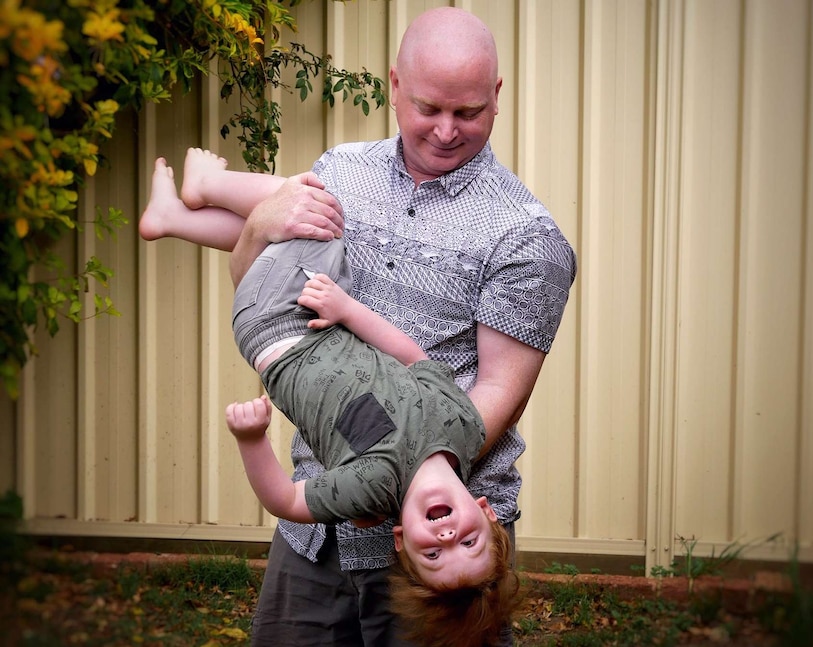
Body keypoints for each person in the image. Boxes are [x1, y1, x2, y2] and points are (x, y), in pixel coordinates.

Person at [148, 7, 577, 646]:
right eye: (429, 107)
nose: (446, 130)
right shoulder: (343, 169)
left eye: (468, 113)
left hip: (434, 563)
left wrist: (400, 481)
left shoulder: (525, 236)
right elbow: (263, 290)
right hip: (315, 533)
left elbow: (496, 398)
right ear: (395, 86)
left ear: (497, 97)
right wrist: (262, 226)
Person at [141, 148, 521, 646]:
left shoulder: (372, 488)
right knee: (320, 233)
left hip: (278, 329)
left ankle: (207, 187)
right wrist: (347, 309)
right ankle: (172, 217)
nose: (448, 539)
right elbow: (414, 358)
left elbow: (286, 499)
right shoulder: (463, 427)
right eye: (468, 542)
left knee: (326, 205)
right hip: (326, 317)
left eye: (433, 556)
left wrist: (251, 438)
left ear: (401, 539)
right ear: (485, 511)